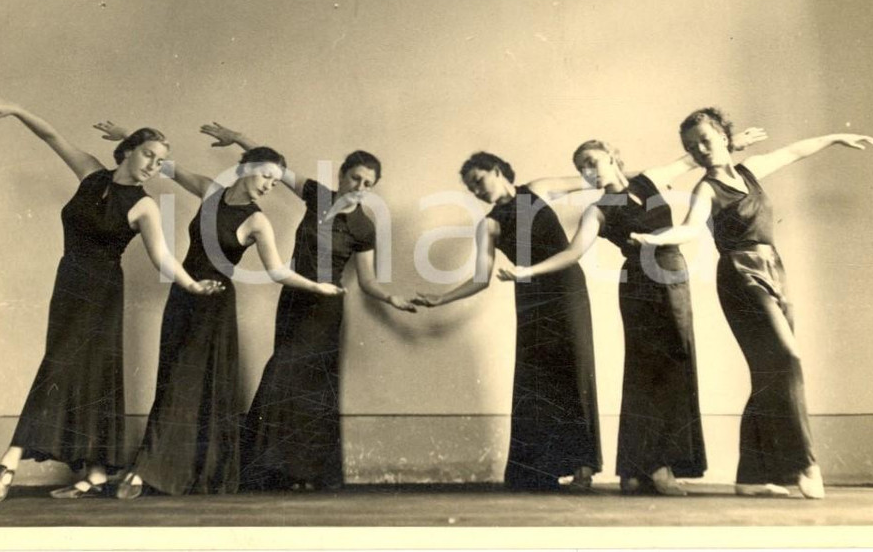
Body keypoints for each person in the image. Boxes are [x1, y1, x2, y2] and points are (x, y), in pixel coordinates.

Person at [0, 94, 222, 504]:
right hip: (68, 283)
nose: (153, 166)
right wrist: (16, 110)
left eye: (160, 162)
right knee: (82, 371)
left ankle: (8, 463)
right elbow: (51, 135)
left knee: (64, 368)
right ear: (127, 152)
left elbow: (163, 258)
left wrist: (193, 285)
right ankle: (96, 474)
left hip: (103, 292)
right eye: (148, 155)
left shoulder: (144, 206)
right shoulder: (91, 174)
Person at [495, 127, 765, 495]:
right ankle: (657, 468)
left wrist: (731, 145)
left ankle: (636, 470)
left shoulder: (650, 179)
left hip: (674, 277)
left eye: (592, 162)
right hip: (639, 283)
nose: (589, 171)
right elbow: (572, 253)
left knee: (675, 366)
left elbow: (692, 159)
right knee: (650, 370)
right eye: (582, 168)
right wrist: (527, 271)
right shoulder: (598, 211)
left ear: (611, 156)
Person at [631, 107, 873, 499]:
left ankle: (750, 476)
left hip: (775, 269)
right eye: (693, 147)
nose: (702, 150)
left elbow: (794, 151)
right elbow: (691, 228)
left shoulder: (750, 171)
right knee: (787, 360)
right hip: (740, 275)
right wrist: (654, 240)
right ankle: (805, 463)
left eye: (707, 140)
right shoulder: (705, 190)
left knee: (770, 373)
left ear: (725, 138)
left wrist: (834, 137)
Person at [92, 122, 345, 499]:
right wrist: (128, 137)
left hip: (215, 309)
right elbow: (167, 166)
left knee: (185, 383)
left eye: (275, 183)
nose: (268, 186)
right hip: (183, 297)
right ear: (245, 169)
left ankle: (145, 471)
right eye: (264, 176)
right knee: (171, 384)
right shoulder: (211, 190)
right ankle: (173, 471)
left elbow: (277, 271)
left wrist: (317, 286)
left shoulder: (258, 221)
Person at [199, 122, 417, 491]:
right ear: (342, 175)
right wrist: (238, 138)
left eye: (368, 184)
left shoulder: (364, 227)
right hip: (294, 298)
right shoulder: (318, 195)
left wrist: (390, 298)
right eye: (355, 178)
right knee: (285, 380)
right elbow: (275, 169)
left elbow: (366, 281)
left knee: (307, 387)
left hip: (326, 309)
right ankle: (270, 474)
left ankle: (303, 474)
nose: (359, 188)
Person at [412, 153, 601, 491]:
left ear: (497, 171)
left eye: (478, 180)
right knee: (537, 377)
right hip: (530, 296)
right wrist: (441, 298)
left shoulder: (540, 189)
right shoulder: (490, 224)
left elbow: (598, 178)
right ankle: (541, 471)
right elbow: (481, 278)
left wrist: (643, 181)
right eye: (470, 188)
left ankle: (583, 468)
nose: (476, 190)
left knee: (575, 368)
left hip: (567, 287)